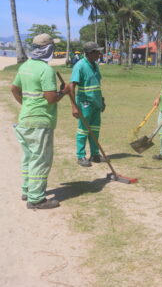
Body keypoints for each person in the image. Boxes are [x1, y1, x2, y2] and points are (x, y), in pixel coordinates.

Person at [11, 33, 69, 209]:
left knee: (29, 157)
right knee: (40, 160)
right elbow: (51, 98)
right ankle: (36, 199)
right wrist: (64, 92)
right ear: (48, 49)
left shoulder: (25, 66)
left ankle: (27, 190)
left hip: (25, 120)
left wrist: (27, 105)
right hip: (40, 122)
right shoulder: (46, 70)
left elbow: (14, 89)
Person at [69, 42, 106, 167]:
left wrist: (102, 101)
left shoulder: (95, 65)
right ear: (90, 53)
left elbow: (96, 85)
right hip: (85, 104)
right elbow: (71, 86)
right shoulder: (80, 66)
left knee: (95, 129)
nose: (99, 54)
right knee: (83, 130)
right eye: (97, 52)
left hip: (96, 104)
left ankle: (95, 154)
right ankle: (81, 156)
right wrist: (74, 106)